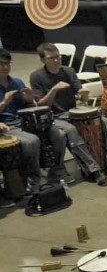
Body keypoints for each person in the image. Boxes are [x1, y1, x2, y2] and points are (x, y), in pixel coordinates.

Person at [30, 43, 107, 186]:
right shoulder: (36, 77)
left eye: (58, 56)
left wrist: (83, 95)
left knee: (105, 123)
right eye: (51, 58)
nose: (56, 60)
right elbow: (41, 105)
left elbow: (82, 98)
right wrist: (53, 90)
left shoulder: (69, 71)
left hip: (74, 111)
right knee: (71, 131)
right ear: (43, 60)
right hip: (54, 116)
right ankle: (93, 170)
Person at [0, 48, 66, 200]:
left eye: (8, 64)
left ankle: (56, 171)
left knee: (58, 133)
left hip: (23, 121)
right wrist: (4, 102)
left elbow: (30, 107)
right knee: (32, 141)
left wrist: (30, 100)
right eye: (1, 64)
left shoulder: (16, 82)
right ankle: (35, 180)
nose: (5, 67)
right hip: (7, 125)